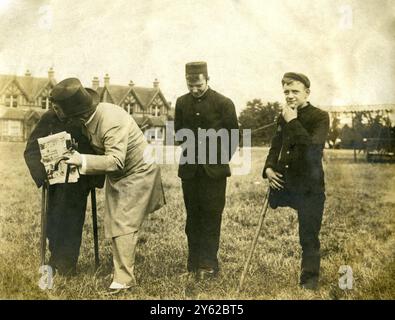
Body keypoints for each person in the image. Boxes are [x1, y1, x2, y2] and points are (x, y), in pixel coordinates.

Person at [50, 78, 165, 291]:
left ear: (78, 114)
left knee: (123, 221)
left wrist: (81, 160)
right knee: (114, 220)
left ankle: (124, 280)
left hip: (138, 171)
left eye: (61, 111)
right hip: (119, 175)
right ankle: (120, 269)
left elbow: (115, 160)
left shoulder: (111, 120)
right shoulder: (89, 118)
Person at [262, 72, 329, 290]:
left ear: (307, 93)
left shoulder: (320, 117)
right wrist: (269, 168)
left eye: (295, 91)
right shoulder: (284, 115)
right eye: (286, 92)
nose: (290, 96)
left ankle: (309, 281)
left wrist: (292, 121)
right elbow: (276, 144)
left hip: (310, 185)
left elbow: (312, 150)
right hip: (286, 183)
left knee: (308, 235)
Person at [174, 62, 239, 280]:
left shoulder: (224, 103)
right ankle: (193, 264)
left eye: (198, 85)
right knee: (193, 219)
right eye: (190, 85)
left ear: (207, 79)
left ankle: (209, 265)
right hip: (190, 172)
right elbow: (179, 134)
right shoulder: (181, 103)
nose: (194, 90)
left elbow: (234, 138)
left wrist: (217, 159)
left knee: (211, 217)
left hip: (215, 174)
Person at [24, 106, 104, 276]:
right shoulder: (50, 117)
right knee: (55, 218)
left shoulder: (84, 116)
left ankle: (68, 262)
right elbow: (31, 148)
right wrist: (42, 175)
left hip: (79, 181)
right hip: (55, 181)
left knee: (74, 220)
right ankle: (55, 258)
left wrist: (95, 178)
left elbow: (96, 147)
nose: (59, 110)